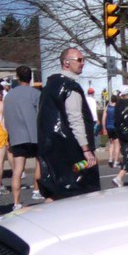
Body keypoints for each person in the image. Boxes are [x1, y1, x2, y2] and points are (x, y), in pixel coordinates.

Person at [37, 47, 101, 201]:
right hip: (70, 147)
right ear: (66, 63)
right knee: (79, 190)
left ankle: (47, 214)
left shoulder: (49, 86)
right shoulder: (70, 87)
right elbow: (75, 119)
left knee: (55, 190)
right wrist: (86, 149)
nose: (82, 63)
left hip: (50, 145)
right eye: (79, 60)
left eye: (83, 60)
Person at [3, 65, 42, 210]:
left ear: (18, 77)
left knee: (18, 170)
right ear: (30, 77)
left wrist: (9, 136)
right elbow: (41, 115)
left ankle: (16, 202)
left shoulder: (9, 96)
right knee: (39, 163)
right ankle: (36, 190)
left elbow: (6, 118)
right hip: (34, 134)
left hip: (17, 135)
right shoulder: (36, 94)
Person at [104, 92, 120, 167]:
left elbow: (103, 118)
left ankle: (110, 159)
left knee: (111, 144)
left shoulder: (107, 106)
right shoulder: (117, 107)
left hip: (109, 127)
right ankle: (116, 161)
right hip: (115, 127)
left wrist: (104, 127)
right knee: (117, 145)